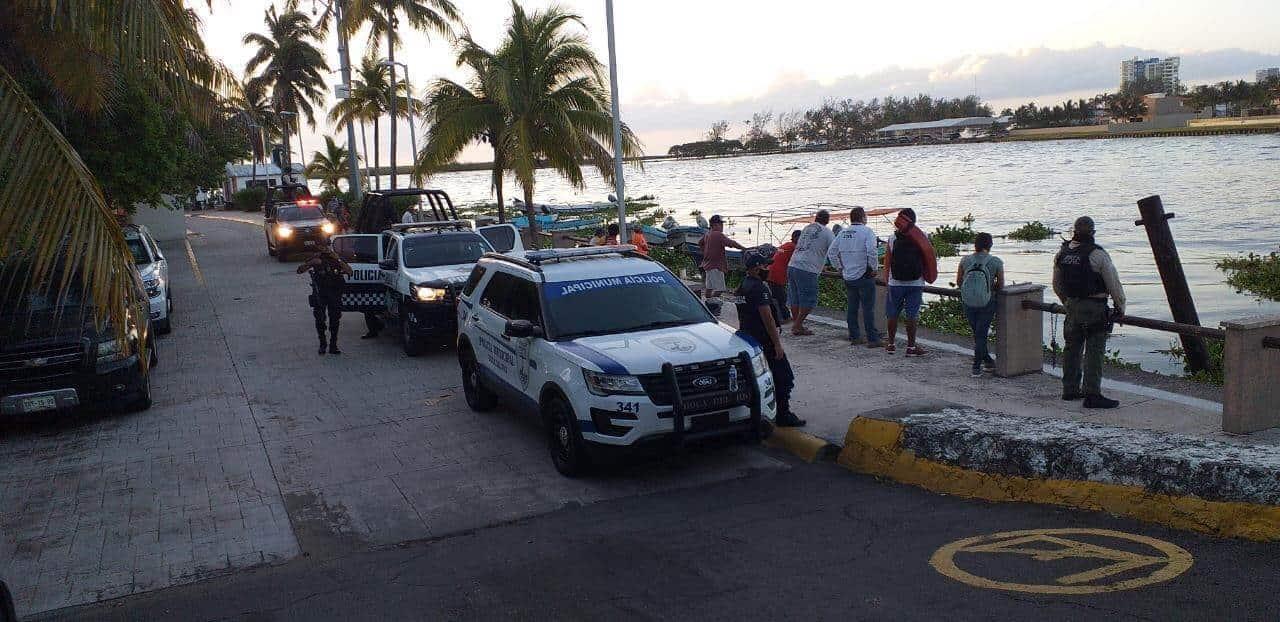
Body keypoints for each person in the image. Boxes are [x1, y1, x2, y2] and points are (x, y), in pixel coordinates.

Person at [1053, 216, 1125, 409]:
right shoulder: (1098, 254)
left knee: (1072, 349)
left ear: (1073, 231)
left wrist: (1068, 303)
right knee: (1094, 351)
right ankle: (1092, 394)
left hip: (1072, 306)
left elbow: (1057, 285)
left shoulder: (1062, 253)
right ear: (1092, 233)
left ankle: (1070, 389)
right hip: (1094, 307)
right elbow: (1114, 284)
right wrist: (1120, 308)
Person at [733, 248, 805, 427]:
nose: (769, 269)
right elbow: (768, 318)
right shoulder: (758, 288)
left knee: (761, 377)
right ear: (757, 268)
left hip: (749, 338)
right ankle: (783, 414)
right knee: (784, 377)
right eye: (766, 266)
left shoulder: (742, 286)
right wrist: (777, 345)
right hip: (764, 339)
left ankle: (765, 410)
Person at [881, 208, 937, 356]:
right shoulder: (922, 236)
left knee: (892, 314)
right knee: (912, 315)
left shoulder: (892, 238)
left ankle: (891, 344)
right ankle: (911, 347)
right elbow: (929, 260)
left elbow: (887, 262)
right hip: (916, 283)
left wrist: (887, 281)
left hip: (895, 283)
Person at [826, 207, 881, 347]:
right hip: (864, 274)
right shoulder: (867, 232)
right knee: (868, 308)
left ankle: (855, 336)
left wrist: (839, 267)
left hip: (848, 276)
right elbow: (872, 251)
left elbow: (831, 252)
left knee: (852, 307)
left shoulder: (843, 232)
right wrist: (874, 268)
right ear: (863, 217)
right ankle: (872, 339)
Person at [958, 232, 1004, 376]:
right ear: (990, 245)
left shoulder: (965, 260)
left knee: (977, 333)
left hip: (968, 302)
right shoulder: (996, 262)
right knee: (981, 335)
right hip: (987, 302)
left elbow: (959, 282)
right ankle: (976, 367)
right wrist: (989, 289)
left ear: (975, 245)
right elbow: (1001, 285)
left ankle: (988, 361)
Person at [297, 238, 353, 355]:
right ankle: (323, 344)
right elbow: (300, 270)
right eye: (322, 246)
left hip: (334, 293)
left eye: (327, 246)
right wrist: (311, 263)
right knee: (320, 320)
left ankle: (333, 345)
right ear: (318, 247)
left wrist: (336, 259)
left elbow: (349, 271)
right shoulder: (315, 258)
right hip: (320, 293)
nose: (325, 248)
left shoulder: (336, 257)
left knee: (335, 319)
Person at [786, 209, 834, 335]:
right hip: (808, 268)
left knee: (795, 298)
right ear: (827, 220)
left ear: (816, 218)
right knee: (810, 299)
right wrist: (838, 265)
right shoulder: (827, 232)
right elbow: (834, 250)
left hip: (793, 264)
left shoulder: (807, 228)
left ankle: (798, 324)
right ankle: (797, 325)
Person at [698, 214, 744, 303]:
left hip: (708, 265)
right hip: (716, 266)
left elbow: (700, 243)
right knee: (720, 289)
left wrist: (705, 253)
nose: (722, 226)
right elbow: (732, 243)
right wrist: (744, 248)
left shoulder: (708, 234)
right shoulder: (718, 234)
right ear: (715, 225)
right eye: (721, 224)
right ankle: (712, 302)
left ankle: (707, 302)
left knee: (709, 287)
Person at [766, 230, 801, 322]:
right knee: (781, 297)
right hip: (778, 274)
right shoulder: (794, 247)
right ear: (797, 238)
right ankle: (784, 317)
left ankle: (780, 316)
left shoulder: (786, 245)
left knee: (777, 296)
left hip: (771, 271)